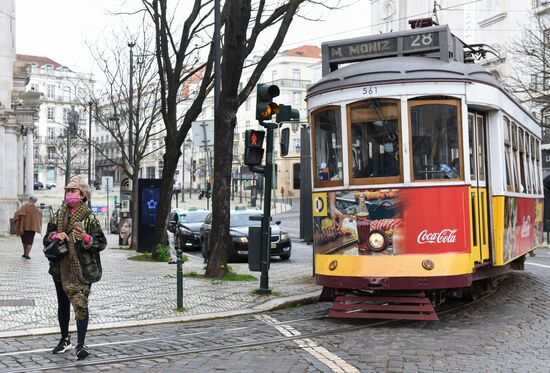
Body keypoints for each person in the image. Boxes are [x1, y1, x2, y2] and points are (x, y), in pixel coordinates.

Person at [43, 178, 107, 360]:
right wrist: (56, 235)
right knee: (62, 305)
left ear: (82, 195)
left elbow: (101, 243)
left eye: (73, 191)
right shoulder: (58, 215)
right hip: (60, 267)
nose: (69, 194)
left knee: (80, 304)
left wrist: (87, 239)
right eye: (68, 191)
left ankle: (80, 344)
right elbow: (47, 237)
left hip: (81, 269)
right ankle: (64, 339)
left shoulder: (90, 218)